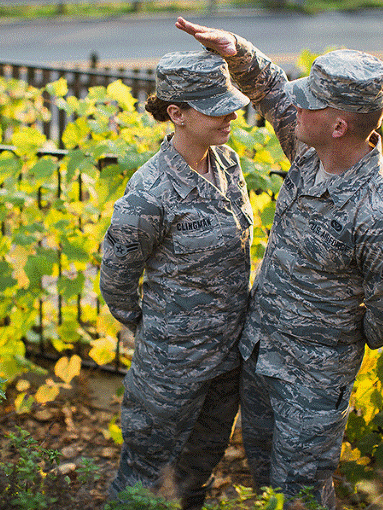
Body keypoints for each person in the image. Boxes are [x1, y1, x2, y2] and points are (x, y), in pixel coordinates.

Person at [175, 17, 383, 508]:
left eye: (310, 99)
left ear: (339, 125)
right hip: (260, 357)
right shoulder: (313, 152)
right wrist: (236, 50)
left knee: (303, 497)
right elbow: (271, 91)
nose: (296, 102)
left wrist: (326, 340)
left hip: (311, 387)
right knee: (268, 481)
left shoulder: (382, 216)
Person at [99, 50, 254, 510]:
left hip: (226, 360)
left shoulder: (227, 165)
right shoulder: (150, 192)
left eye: (230, 101)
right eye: (215, 105)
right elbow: (117, 274)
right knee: (142, 479)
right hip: (171, 368)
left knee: (197, 474)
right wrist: (153, 327)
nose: (230, 113)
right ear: (177, 114)